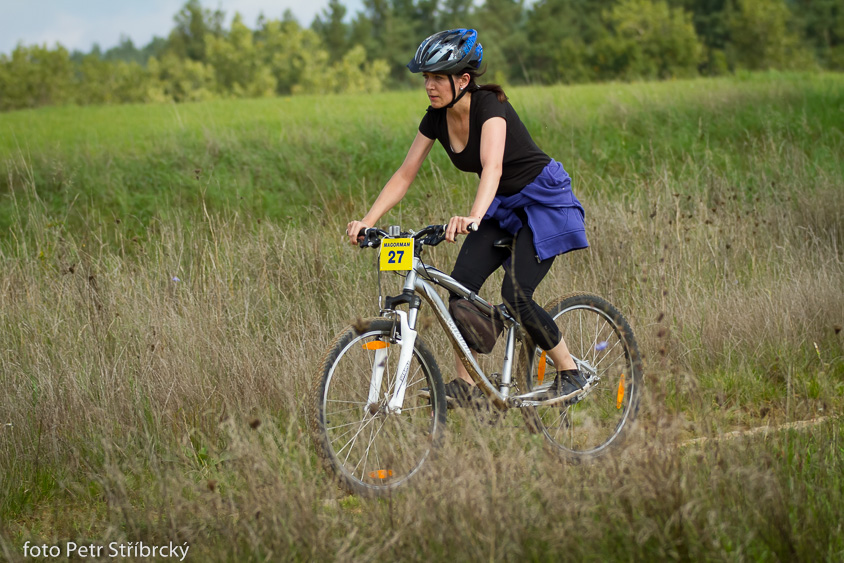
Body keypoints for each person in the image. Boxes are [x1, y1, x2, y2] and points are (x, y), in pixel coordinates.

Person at [346, 29, 589, 406]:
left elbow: (492, 166)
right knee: (459, 288)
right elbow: (405, 173)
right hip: (503, 206)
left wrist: (474, 216)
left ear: (463, 80)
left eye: (437, 77)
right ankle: (467, 385)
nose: (428, 85)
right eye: (425, 77)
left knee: (516, 295)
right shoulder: (436, 118)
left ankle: (569, 371)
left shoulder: (490, 104)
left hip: (542, 202)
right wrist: (367, 219)